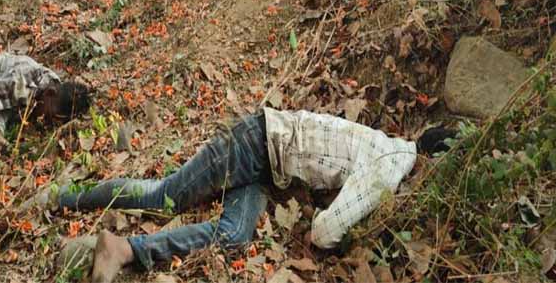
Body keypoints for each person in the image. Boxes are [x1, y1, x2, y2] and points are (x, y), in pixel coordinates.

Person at [52, 108, 452, 283]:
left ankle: (124, 248)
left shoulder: (390, 147)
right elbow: (324, 232)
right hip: (251, 145)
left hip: (265, 167)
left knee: (233, 236)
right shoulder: (391, 165)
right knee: (163, 195)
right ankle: (63, 197)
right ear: (431, 162)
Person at [0, 53, 92, 154]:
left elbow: (3, 106)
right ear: (50, 93)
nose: (46, 122)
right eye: (49, 116)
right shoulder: (21, 82)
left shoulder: (54, 85)